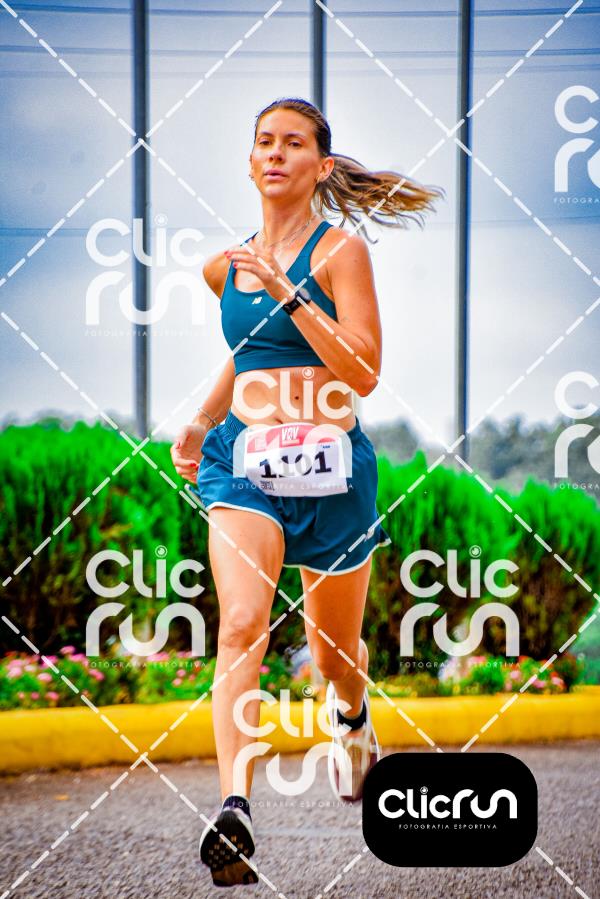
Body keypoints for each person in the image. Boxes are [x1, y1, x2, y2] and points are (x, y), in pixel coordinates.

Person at [170, 97, 442, 887]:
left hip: (332, 471)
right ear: (250, 160)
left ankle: (352, 716)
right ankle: (235, 810)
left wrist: (289, 290)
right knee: (240, 626)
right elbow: (248, 352)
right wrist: (201, 421)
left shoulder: (340, 253)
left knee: (333, 656)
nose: (275, 153)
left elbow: (363, 370)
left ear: (321, 166)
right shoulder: (224, 267)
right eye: (264, 141)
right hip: (244, 465)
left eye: (293, 143)